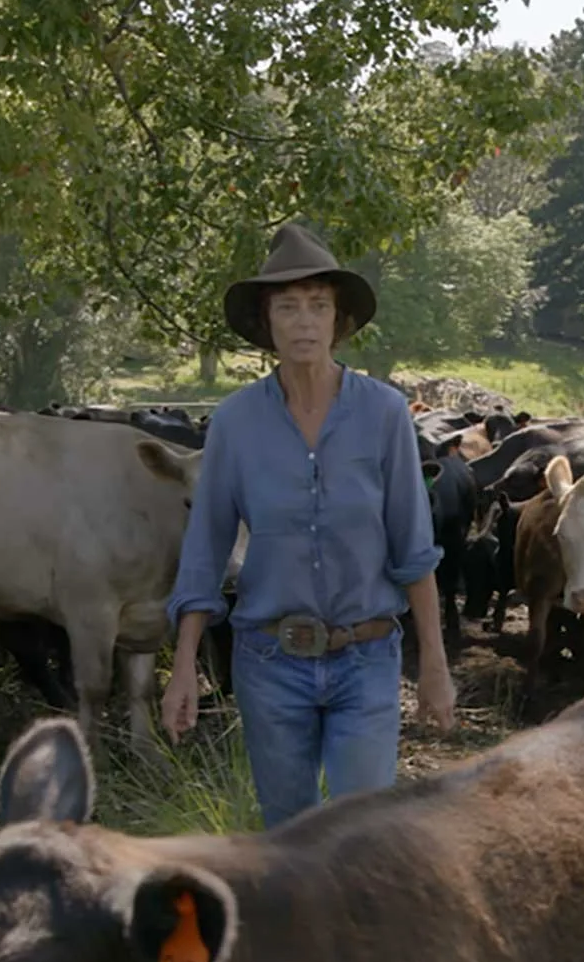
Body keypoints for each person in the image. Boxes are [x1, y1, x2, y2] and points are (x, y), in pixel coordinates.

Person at [162, 223, 457, 827]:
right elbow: (205, 549)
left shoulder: (383, 413)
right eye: (288, 307)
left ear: (337, 321)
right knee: (290, 837)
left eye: (318, 306)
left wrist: (434, 665)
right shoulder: (236, 423)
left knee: (361, 833)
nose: (303, 321)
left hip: (366, 655)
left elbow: (413, 547)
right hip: (270, 663)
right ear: (266, 323)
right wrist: (184, 665)